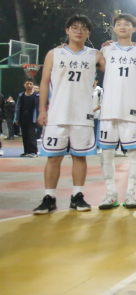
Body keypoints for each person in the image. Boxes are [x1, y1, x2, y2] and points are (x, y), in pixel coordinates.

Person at [33, 15, 106, 214]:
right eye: (74, 27)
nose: (79, 31)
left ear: (88, 33)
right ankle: (49, 197)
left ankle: (77, 196)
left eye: (83, 29)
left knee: (79, 157)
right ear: (67, 30)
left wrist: (110, 47)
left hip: (83, 114)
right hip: (58, 113)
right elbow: (44, 82)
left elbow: (116, 70)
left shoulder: (95, 55)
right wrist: (42, 109)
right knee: (53, 158)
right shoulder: (54, 54)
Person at [96, 14, 136, 210]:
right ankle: (110, 193)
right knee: (106, 153)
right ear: (114, 28)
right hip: (108, 110)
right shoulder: (106, 49)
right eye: (119, 24)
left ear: (134, 28)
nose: (123, 26)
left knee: (134, 152)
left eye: (127, 24)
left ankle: (130, 192)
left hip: (131, 109)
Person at [15, 79, 40, 157]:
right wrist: (16, 118)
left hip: (32, 118)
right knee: (24, 135)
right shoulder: (21, 95)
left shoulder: (36, 96)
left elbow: (38, 108)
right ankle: (26, 151)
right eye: (27, 84)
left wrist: (39, 117)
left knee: (31, 135)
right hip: (23, 118)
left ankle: (34, 151)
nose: (29, 85)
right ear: (24, 85)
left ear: (33, 85)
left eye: (31, 84)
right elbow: (18, 107)